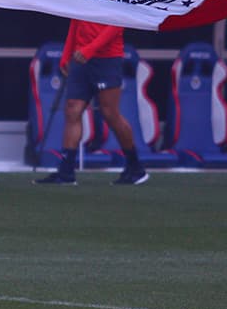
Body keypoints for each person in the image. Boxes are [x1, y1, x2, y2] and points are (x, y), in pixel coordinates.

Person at [34, 19, 148, 186]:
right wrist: (66, 54)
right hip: (80, 58)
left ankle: (135, 167)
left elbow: (117, 24)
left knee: (110, 113)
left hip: (107, 58)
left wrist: (90, 49)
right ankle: (66, 172)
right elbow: (76, 20)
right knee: (72, 109)